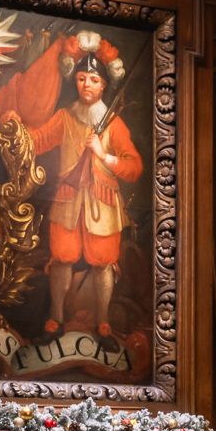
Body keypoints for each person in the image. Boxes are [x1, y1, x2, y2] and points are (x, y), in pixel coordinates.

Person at [27, 40, 141, 339]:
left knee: (103, 264)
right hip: (68, 199)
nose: (86, 85)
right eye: (81, 79)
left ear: (103, 85)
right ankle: (55, 320)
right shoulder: (65, 117)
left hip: (102, 205)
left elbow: (134, 167)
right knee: (62, 258)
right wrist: (17, 129)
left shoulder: (114, 124)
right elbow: (37, 140)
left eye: (93, 80)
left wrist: (103, 156)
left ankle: (103, 324)